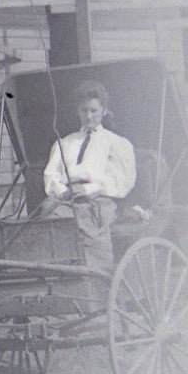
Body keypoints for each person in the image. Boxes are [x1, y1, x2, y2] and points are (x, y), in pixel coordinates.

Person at [39, 80, 137, 274]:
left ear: (104, 110)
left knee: (84, 221)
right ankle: (59, 272)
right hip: (66, 199)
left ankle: (96, 274)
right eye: (84, 110)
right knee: (49, 210)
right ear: (78, 111)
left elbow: (121, 180)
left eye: (93, 110)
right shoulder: (65, 142)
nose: (89, 116)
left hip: (99, 199)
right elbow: (51, 175)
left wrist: (87, 189)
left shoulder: (115, 143)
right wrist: (63, 191)